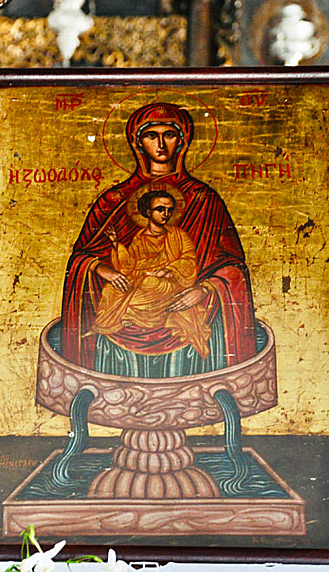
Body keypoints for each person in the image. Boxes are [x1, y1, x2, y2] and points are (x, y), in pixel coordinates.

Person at [60, 102, 257, 378]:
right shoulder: (113, 202)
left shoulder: (205, 200)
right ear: (137, 142)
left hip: (182, 311)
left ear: (182, 141)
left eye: (169, 134)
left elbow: (233, 267)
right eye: (152, 135)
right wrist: (100, 267)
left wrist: (206, 289)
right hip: (128, 316)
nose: (161, 144)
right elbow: (80, 258)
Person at [90, 190, 212, 359]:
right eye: (160, 209)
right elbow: (128, 266)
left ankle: (132, 314)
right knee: (111, 290)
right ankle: (130, 314)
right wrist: (116, 244)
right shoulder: (139, 238)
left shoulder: (177, 235)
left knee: (151, 284)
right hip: (141, 279)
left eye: (169, 210)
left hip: (169, 282)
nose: (166, 214)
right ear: (148, 212)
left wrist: (168, 269)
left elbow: (189, 260)